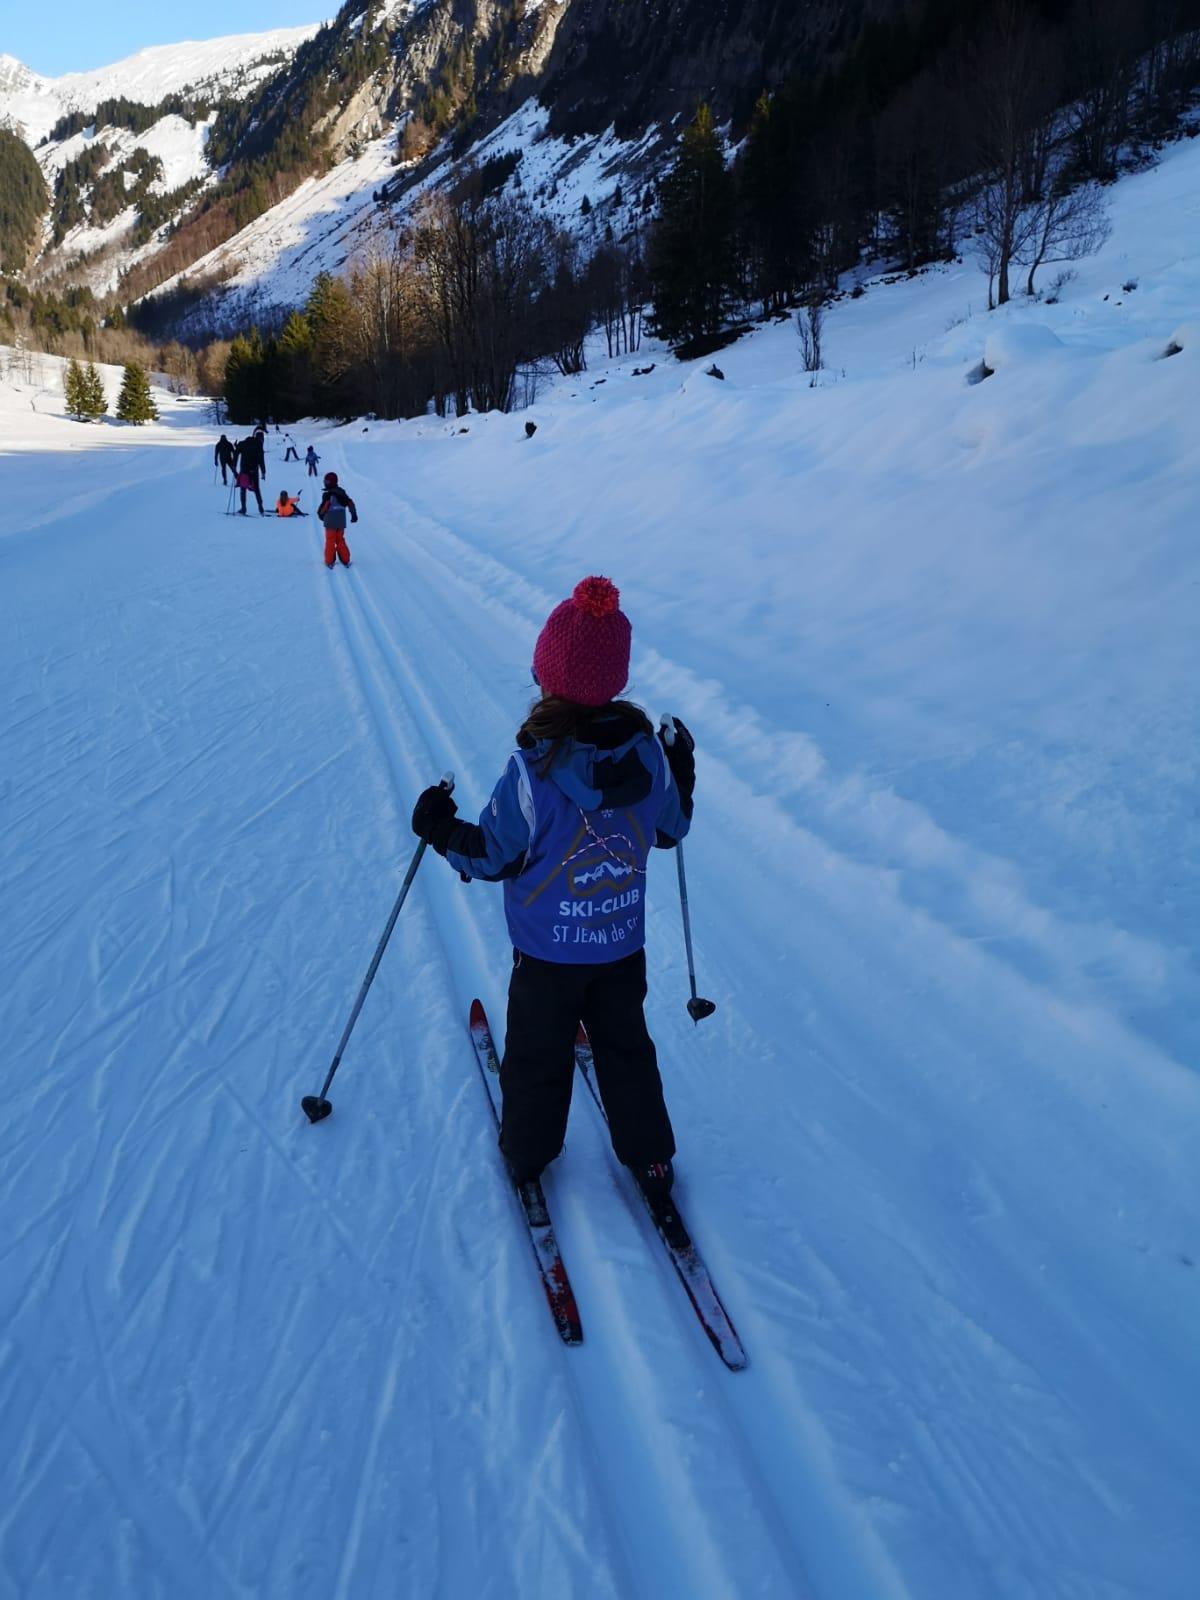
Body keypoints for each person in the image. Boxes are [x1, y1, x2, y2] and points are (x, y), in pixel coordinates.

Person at [410, 576, 695, 1197]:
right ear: (615, 679)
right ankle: (650, 1158)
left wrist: (438, 827)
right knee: (626, 1049)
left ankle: (528, 1152)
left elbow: (492, 855)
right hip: (620, 945)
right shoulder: (647, 757)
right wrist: (683, 772)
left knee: (539, 1056)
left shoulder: (531, 771)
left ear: (547, 677)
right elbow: (671, 830)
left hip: (546, 956)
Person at [317, 471, 357, 567]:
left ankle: (329, 561)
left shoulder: (328, 495)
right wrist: (354, 514)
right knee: (340, 540)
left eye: (326, 482)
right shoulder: (341, 492)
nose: (325, 483)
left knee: (330, 540)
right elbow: (350, 502)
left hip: (330, 522)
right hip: (341, 522)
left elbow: (324, 507)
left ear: (331, 482)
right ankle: (346, 559)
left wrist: (321, 515)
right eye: (325, 481)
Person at [235, 432, 266, 515]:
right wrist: (263, 472)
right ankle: (260, 507)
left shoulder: (243, 443)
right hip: (254, 471)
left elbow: (236, 452)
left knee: (243, 489)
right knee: (256, 489)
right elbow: (261, 461)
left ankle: (243, 508)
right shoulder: (259, 446)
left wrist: (234, 465)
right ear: (261, 439)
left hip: (244, 470)